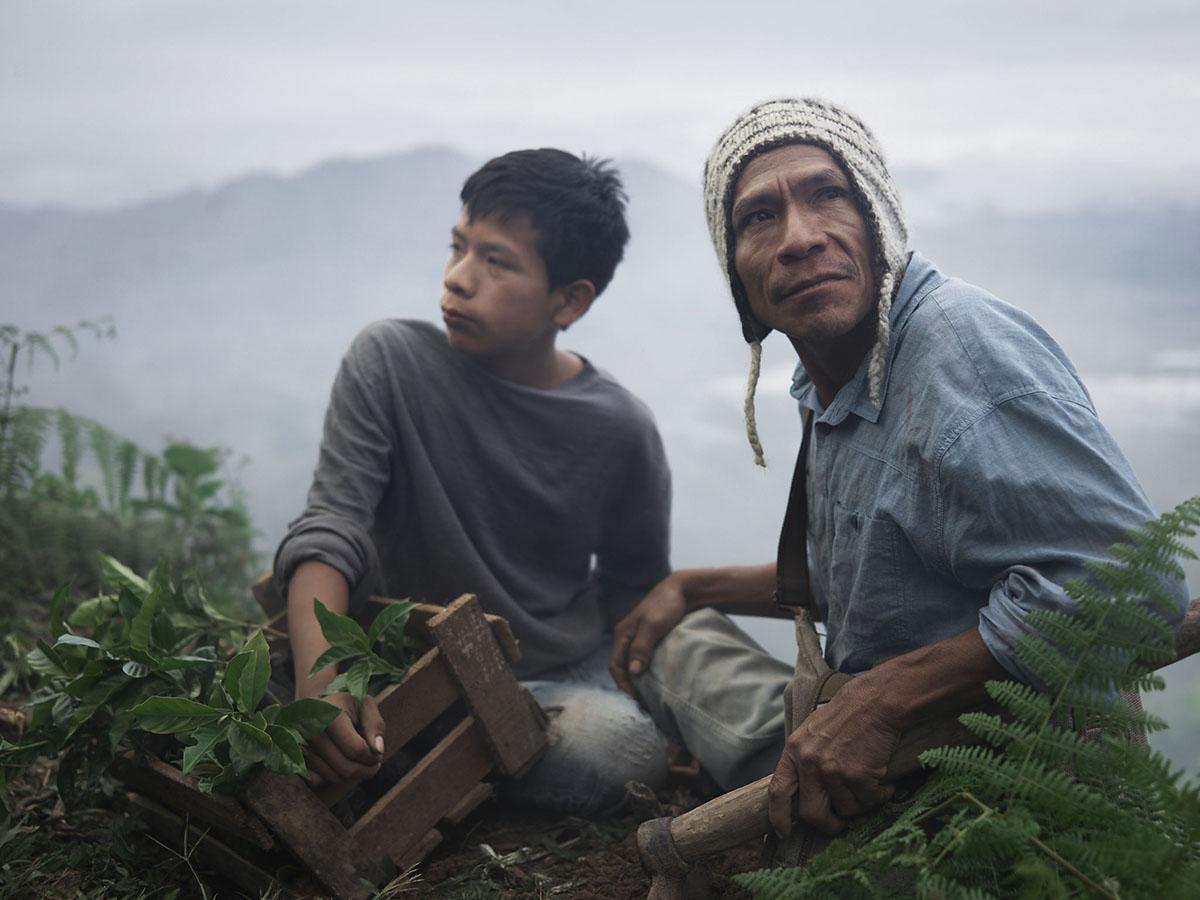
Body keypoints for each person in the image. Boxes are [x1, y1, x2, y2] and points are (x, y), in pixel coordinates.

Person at [608, 97, 1191, 839]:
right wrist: (694, 587)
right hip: (845, 717)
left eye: (828, 195)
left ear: (878, 216)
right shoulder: (834, 372)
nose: (798, 238)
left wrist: (880, 704)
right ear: (738, 275)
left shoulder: (962, 358)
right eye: (759, 217)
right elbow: (881, 571)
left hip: (975, 796)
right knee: (670, 642)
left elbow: (1130, 588)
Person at [274, 148, 673, 814]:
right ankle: (409, 755)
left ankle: (417, 770)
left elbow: (636, 587)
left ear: (569, 299)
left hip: (546, 680)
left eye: (496, 262)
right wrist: (324, 679)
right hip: (403, 667)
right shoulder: (392, 363)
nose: (456, 281)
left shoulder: (620, 428)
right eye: (458, 248)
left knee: (621, 749)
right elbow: (331, 526)